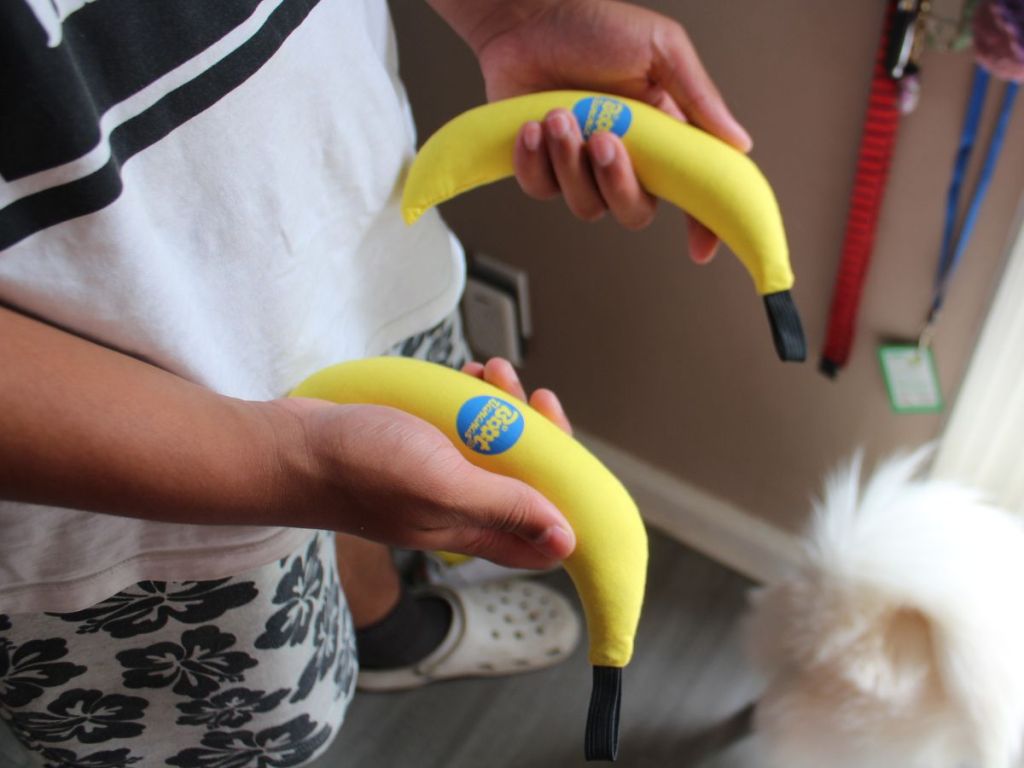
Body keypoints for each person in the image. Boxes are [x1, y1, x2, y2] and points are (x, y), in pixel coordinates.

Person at [0, 0, 751, 764]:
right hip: (110, 444)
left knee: (371, 489)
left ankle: (391, 631)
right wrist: (291, 463)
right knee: (236, 715)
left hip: (351, 221)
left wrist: (510, 14)